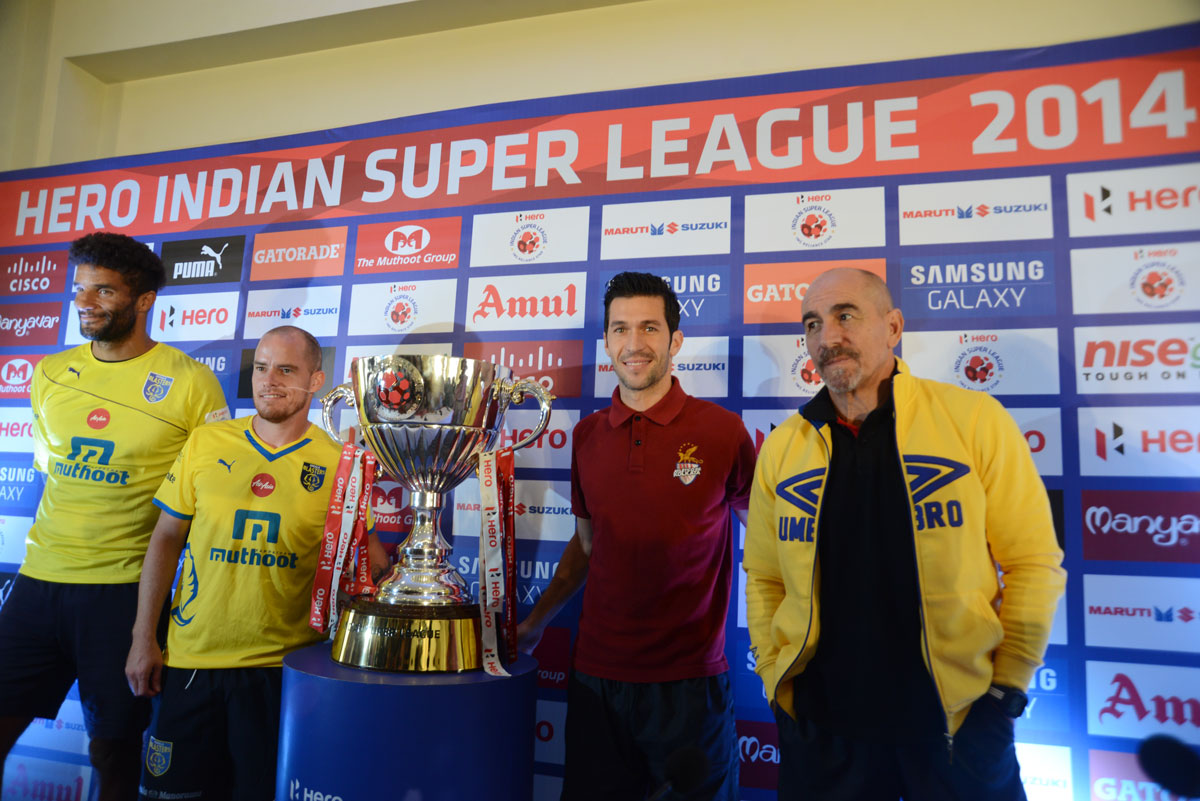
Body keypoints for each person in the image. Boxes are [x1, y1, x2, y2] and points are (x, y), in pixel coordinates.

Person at [744, 268, 1066, 800]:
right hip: (822, 734)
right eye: (812, 324)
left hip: (955, 730)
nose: (827, 337)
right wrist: (775, 682)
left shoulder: (973, 420)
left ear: (893, 327)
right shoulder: (783, 446)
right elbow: (763, 576)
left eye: (846, 315)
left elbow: (1033, 563)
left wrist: (1004, 692)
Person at [0, 232, 229, 800]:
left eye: (103, 290)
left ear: (144, 300)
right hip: (37, 583)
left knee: (114, 754)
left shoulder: (192, 382)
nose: (85, 302)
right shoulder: (50, 373)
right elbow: (51, 471)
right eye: (80, 288)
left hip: (123, 593)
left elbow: (209, 496)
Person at [517, 271, 756, 801]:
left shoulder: (723, 432)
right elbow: (587, 546)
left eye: (650, 327)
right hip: (597, 681)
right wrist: (536, 623)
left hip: (691, 684)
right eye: (620, 328)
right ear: (606, 341)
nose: (634, 343)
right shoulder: (586, 436)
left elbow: (767, 540)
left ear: (675, 339)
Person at [124, 326, 380, 801]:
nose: (269, 380)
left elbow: (366, 561)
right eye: (261, 368)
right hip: (192, 661)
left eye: (286, 369)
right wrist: (144, 637)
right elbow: (165, 539)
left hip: (280, 671)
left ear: (316, 380)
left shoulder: (341, 464)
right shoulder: (207, 441)